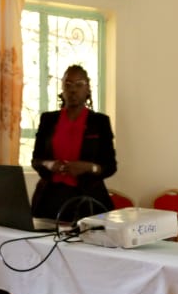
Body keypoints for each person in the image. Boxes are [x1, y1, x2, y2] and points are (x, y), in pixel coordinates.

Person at [30, 65, 117, 221]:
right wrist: (51, 165)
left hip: (88, 200)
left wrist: (88, 167)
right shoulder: (48, 120)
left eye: (79, 84)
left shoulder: (100, 122)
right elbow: (36, 160)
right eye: (68, 85)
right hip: (49, 199)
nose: (73, 90)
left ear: (88, 89)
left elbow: (110, 166)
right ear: (62, 89)